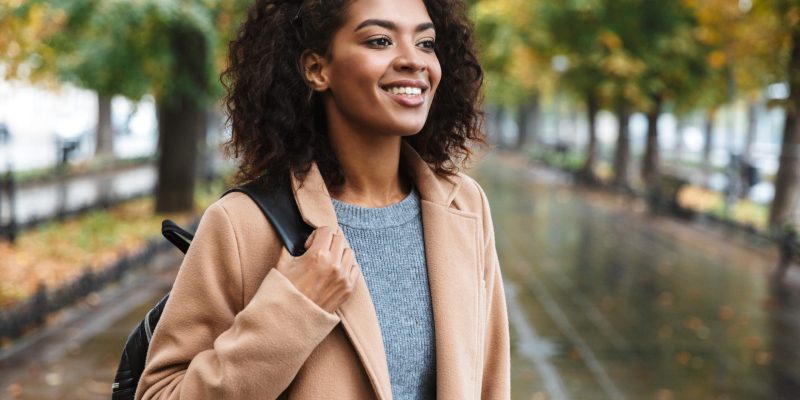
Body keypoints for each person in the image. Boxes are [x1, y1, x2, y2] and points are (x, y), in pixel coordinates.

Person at [135, 0, 509, 398]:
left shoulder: (464, 207)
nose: (414, 60)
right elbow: (160, 392)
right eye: (381, 40)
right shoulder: (242, 224)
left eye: (426, 43)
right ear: (317, 69)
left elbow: (490, 380)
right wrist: (292, 309)